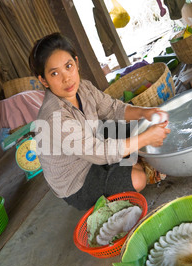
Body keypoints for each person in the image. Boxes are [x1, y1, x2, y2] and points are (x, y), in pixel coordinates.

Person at [29, 32, 170, 211]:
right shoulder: (53, 117)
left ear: (77, 63)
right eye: (55, 73)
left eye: (68, 66)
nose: (66, 78)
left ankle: (131, 163)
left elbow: (113, 109)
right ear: (44, 80)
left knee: (139, 129)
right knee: (138, 178)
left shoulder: (84, 87)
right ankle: (134, 166)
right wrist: (145, 139)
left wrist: (144, 112)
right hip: (79, 181)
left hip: (94, 144)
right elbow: (97, 152)